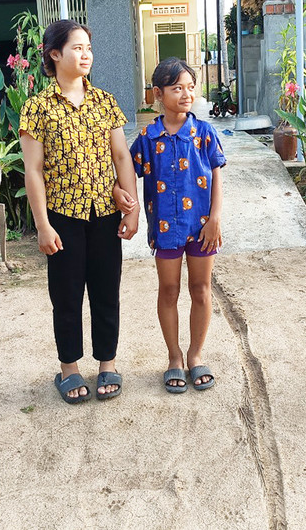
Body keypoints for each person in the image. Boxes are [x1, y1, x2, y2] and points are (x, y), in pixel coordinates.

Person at [19, 20, 139, 404]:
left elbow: (121, 155)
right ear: (55, 54)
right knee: (66, 296)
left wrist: (131, 208)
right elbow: (33, 171)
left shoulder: (105, 102)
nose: (86, 54)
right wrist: (42, 225)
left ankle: (108, 363)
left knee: (107, 292)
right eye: (77, 48)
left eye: (88, 47)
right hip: (63, 217)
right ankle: (68, 368)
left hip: (105, 214)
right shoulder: (37, 108)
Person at [128, 57, 226, 392]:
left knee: (201, 289)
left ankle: (196, 355)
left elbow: (216, 174)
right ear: (158, 93)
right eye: (176, 88)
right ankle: (174, 357)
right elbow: (128, 171)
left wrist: (214, 219)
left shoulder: (204, 132)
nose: (186, 94)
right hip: (166, 229)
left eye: (189, 87)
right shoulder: (147, 137)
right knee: (169, 291)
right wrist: (123, 197)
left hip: (202, 228)